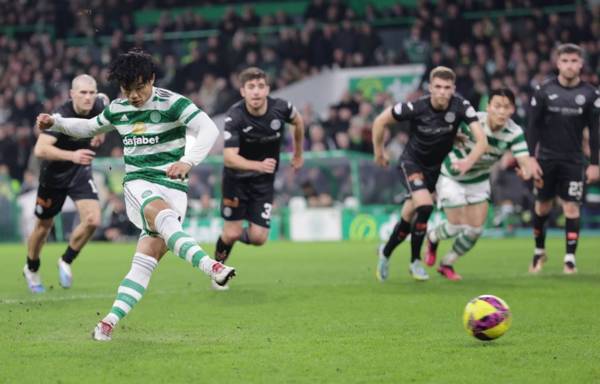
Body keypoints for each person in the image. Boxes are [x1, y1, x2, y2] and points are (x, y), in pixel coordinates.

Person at [35, 50, 235, 341]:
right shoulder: (118, 108)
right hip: (139, 184)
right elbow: (89, 127)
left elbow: (208, 128)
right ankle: (212, 266)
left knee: (144, 264)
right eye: (127, 90)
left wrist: (189, 161)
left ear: (152, 79)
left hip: (174, 187)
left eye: (140, 87)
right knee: (164, 217)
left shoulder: (173, 103)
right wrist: (56, 122)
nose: (134, 96)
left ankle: (106, 324)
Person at [372, 66, 487, 282]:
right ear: (430, 88)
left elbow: (482, 140)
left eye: (447, 87)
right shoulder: (416, 107)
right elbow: (380, 121)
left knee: (407, 218)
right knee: (425, 206)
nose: (442, 92)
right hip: (411, 163)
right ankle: (415, 262)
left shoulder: (461, 106)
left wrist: (468, 160)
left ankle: (385, 253)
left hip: (433, 170)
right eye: (438, 87)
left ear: (453, 88)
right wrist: (379, 152)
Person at [425, 88, 532, 280]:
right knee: (456, 225)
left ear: (512, 110)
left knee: (475, 229)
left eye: (506, 107)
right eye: (497, 106)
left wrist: (526, 170)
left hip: (480, 179)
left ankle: (447, 263)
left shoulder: (514, 132)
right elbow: (441, 133)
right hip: (452, 176)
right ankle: (432, 237)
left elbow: (524, 159)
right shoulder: (472, 121)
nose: (501, 111)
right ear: (488, 107)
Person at [213, 67, 304, 290]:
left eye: (260, 87)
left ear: (268, 90)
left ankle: (231, 234)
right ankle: (217, 270)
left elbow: (298, 122)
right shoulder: (234, 115)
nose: (256, 92)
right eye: (251, 87)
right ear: (243, 91)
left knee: (259, 238)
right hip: (236, 180)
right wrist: (258, 165)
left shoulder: (281, 108)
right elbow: (229, 158)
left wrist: (298, 153)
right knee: (232, 232)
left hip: (263, 182)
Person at [23, 74, 107, 293]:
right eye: (82, 93)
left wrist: (101, 132)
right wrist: (72, 156)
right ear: (72, 95)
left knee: (93, 219)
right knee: (44, 227)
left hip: (80, 171)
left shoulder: (99, 103)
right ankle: (31, 268)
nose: (88, 98)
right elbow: (40, 149)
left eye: (91, 93)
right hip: (54, 175)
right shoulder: (59, 117)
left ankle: (66, 260)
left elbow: (106, 101)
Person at [527, 43, 600, 274]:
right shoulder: (544, 91)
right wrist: (530, 158)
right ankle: (539, 252)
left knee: (571, 208)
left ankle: (570, 259)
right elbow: (533, 128)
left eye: (574, 61)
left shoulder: (590, 94)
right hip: (546, 159)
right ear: (558, 63)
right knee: (542, 206)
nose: (569, 65)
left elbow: (596, 131)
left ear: (581, 64)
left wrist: (595, 163)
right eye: (565, 61)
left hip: (574, 161)